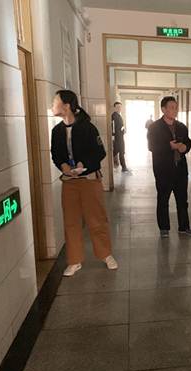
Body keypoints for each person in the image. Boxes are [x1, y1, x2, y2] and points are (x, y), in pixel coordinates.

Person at [50, 90, 118, 276]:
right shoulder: (56, 131)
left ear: (66, 106)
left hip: (89, 180)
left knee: (96, 219)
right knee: (71, 222)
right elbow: (55, 154)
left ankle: (105, 254)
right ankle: (74, 260)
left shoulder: (87, 128)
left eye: (55, 101)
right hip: (69, 182)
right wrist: (63, 165)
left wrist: (83, 164)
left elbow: (100, 152)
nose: (52, 105)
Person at [147, 96, 191, 238]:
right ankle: (164, 228)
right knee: (163, 200)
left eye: (176, 107)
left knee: (182, 200)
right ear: (163, 109)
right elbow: (152, 146)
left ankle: (184, 227)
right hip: (163, 170)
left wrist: (185, 147)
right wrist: (169, 146)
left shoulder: (181, 126)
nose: (175, 110)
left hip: (180, 170)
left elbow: (188, 142)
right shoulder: (155, 127)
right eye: (172, 107)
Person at [111, 101, 128, 172]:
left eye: (120, 107)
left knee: (120, 151)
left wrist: (123, 129)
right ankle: (123, 167)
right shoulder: (114, 116)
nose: (119, 108)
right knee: (119, 151)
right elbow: (113, 127)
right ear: (114, 108)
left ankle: (123, 167)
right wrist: (113, 136)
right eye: (117, 107)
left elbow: (120, 126)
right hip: (117, 137)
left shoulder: (118, 115)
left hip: (120, 136)